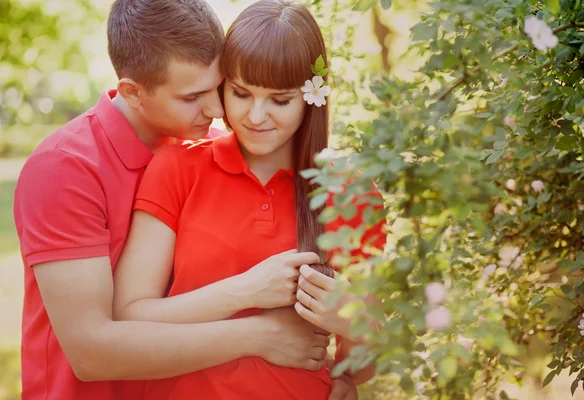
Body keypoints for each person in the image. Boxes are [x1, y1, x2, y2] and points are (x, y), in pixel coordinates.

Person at [13, 1, 347, 399]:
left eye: (219, 87)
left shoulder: (199, 152)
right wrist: (257, 335)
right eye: (193, 96)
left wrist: (337, 377)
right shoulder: (65, 169)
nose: (219, 109)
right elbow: (91, 351)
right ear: (133, 93)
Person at [112, 1, 386, 399]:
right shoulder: (177, 168)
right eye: (241, 93)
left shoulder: (352, 193)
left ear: (312, 97)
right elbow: (130, 315)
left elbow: (356, 370)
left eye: (280, 100)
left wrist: (355, 323)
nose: (256, 116)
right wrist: (247, 291)